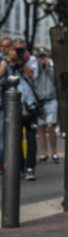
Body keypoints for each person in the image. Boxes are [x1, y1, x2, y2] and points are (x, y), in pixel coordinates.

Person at [4, 39, 39, 180]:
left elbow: (33, 75)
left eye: (21, 49)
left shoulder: (31, 59)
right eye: (16, 49)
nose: (18, 52)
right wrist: (8, 61)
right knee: (15, 139)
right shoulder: (8, 61)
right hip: (15, 106)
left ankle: (30, 168)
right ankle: (19, 168)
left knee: (31, 138)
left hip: (30, 104)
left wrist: (21, 62)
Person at [35, 47, 59, 163]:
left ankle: (54, 151)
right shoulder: (35, 69)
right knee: (41, 127)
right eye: (41, 57)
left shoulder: (52, 69)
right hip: (40, 101)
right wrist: (38, 67)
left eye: (44, 57)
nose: (43, 59)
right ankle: (44, 152)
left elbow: (56, 81)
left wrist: (49, 68)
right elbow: (32, 80)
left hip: (51, 99)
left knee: (50, 126)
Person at [0, 37, 13, 175]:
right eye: (2, 46)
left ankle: (2, 164)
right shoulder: (5, 62)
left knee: (3, 139)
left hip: (5, 105)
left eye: (8, 46)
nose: (4, 49)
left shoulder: (15, 63)